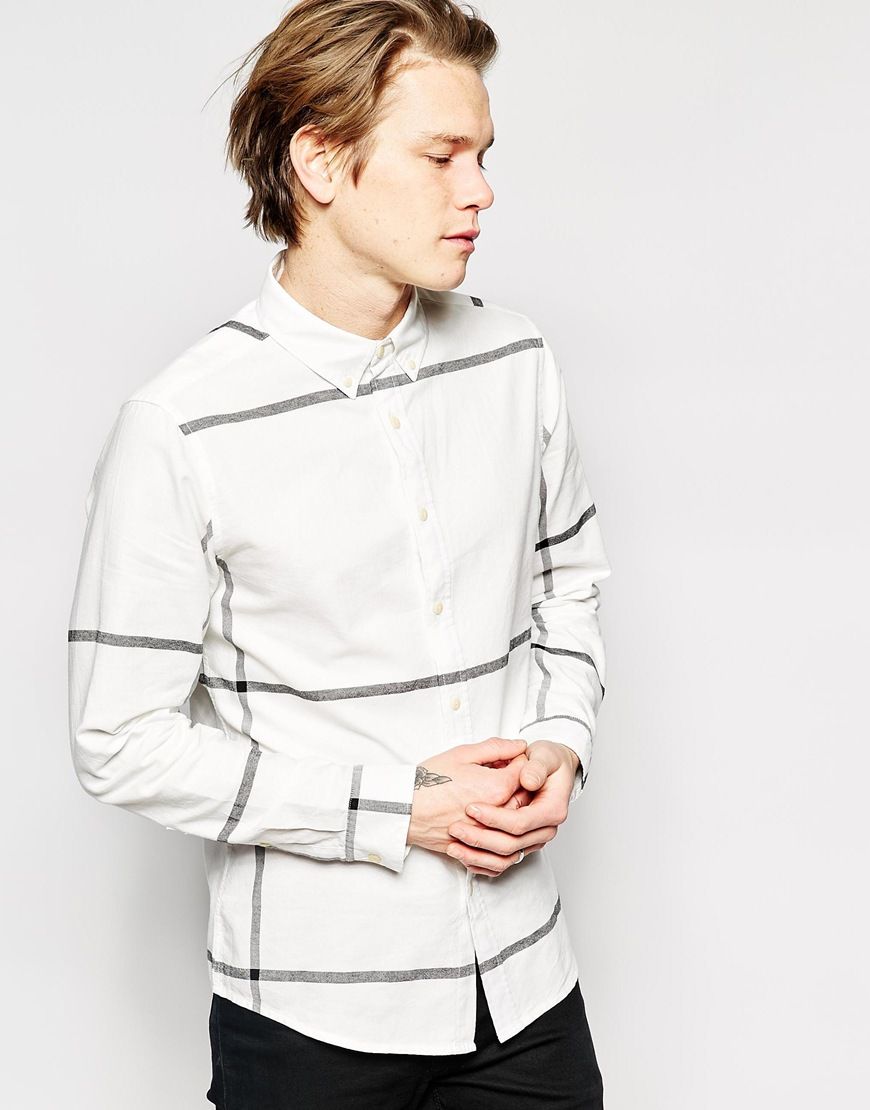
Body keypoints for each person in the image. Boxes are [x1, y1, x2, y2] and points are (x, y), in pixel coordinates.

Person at [66, 1, 611, 1106]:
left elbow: (570, 586)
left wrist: (561, 740)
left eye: (484, 155)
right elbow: (118, 740)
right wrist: (397, 807)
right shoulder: (182, 425)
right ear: (319, 162)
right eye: (441, 156)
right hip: (312, 1016)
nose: (480, 191)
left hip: (524, 985)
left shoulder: (517, 361)